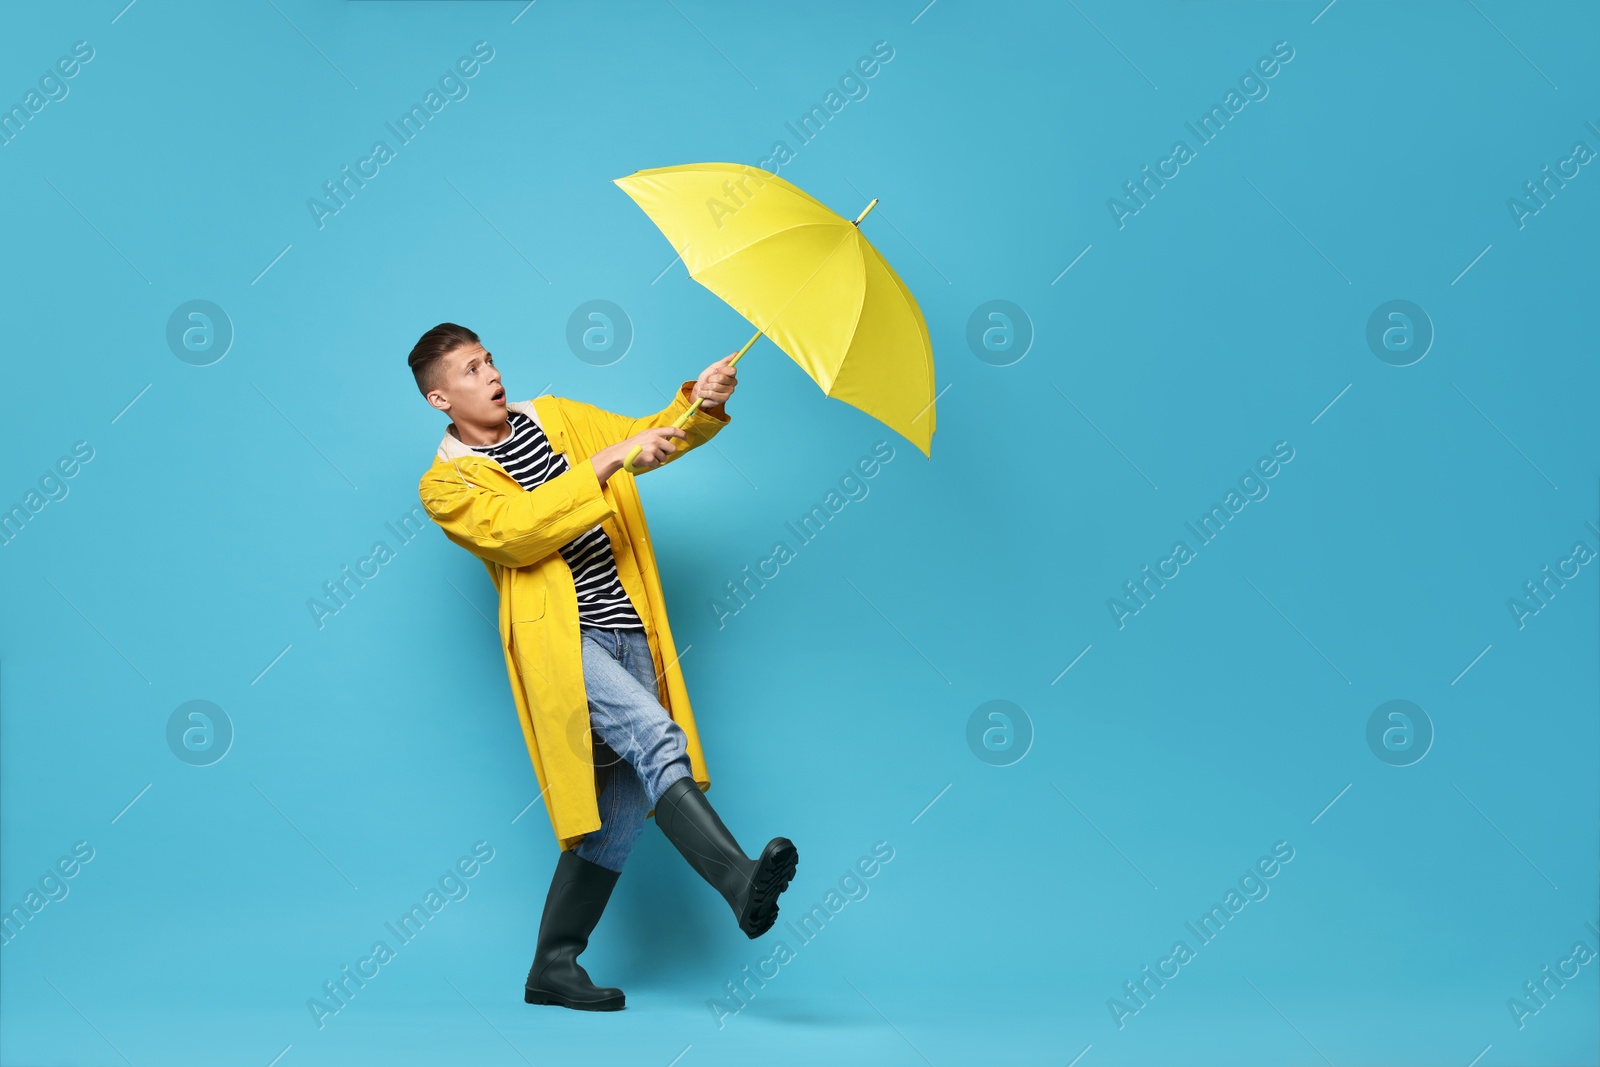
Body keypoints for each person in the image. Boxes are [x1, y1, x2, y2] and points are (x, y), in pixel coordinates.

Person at [410, 323, 798, 1012]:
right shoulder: (446, 485)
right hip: (564, 644)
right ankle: (739, 881)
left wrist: (700, 403)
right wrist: (606, 460)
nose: (491, 373)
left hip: (628, 628)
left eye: (490, 358)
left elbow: (648, 437)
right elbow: (520, 532)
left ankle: (552, 967)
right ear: (441, 398)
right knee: (657, 735)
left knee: (617, 815)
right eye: (470, 370)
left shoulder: (554, 418)